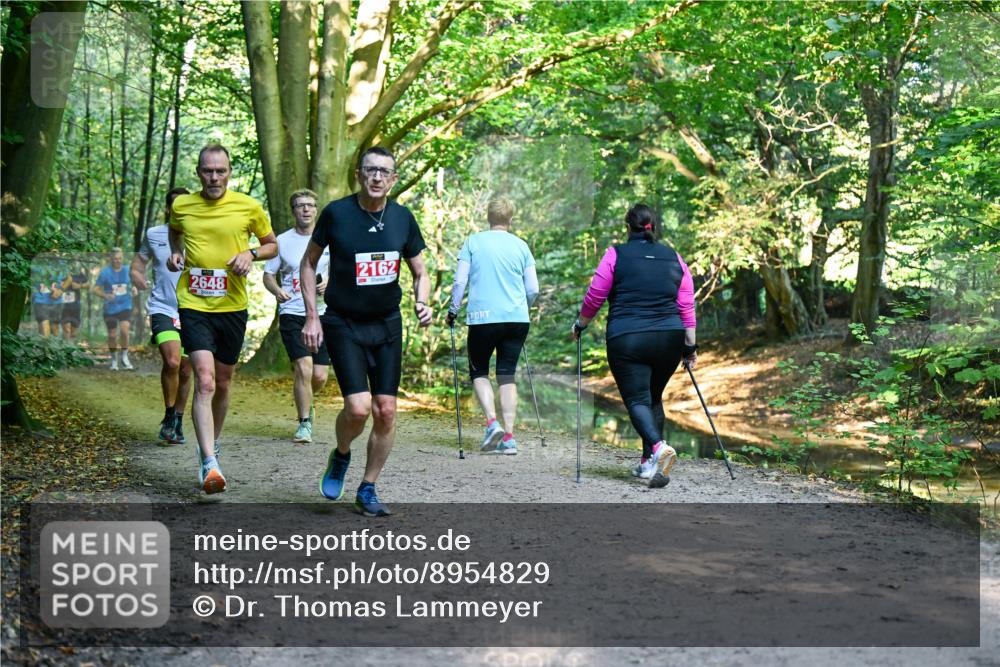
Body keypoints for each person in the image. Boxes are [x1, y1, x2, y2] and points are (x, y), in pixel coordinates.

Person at [301, 146, 431, 517]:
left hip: (387, 324)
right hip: (343, 322)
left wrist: (422, 301)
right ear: (359, 174)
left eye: (384, 172)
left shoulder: (403, 219)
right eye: (370, 170)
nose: (376, 177)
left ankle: (368, 487)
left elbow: (420, 271)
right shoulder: (336, 213)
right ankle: (341, 455)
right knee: (358, 409)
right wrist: (312, 316)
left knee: (386, 410)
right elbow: (308, 265)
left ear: (393, 179)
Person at [167, 144, 277, 494]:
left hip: (232, 305)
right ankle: (210, 461)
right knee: (205, 380)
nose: (214, 177)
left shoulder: (248, 206)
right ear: (198, 172)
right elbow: (175, 232)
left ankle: (208, 445)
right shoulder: (182, 205)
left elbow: (272, 244)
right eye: (207, 171)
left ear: (229, 172)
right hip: (194, 302)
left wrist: (251, 253)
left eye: (220, 171)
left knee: (225, 381)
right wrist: (175, 253)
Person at [571, 204, 697, 489]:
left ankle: (658, 448)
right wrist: (690, 347)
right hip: (669, 337)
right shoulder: (674, 258)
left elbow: (595, 296)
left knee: (637, 400)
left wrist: (581, 325)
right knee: (653, 398)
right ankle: (648, 465)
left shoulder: (616, 254)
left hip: (628, 336)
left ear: (628, 228)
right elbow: (686, 304)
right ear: (653, 227)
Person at [447, 197, 538, 455]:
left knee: (479, 372)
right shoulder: (521, 246)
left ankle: (492, 423)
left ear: (488, 218)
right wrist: (524, 306)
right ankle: (508, 438)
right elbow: (533, 288)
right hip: (517, 318)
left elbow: (459, 281)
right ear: (510, 219)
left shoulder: (473, 242)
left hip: (483, 319)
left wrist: (453, 311)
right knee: (507, 374)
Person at [263, 189, 331, 444]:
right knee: (303, 367)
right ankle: (304, 423)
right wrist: (277, 290)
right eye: (300, 206)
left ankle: (307, 402)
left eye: (310, 205)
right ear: (293, 211)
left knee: (320, 375)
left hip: (323, 312)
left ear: (316, 210)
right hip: (292, 312)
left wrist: (330, 283)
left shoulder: (327, 239)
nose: (305, 209)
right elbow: (268, 275)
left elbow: (338, 268)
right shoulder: (281, 241)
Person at [131, 186, 193, 444]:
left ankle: (178, 418)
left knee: (187, 370)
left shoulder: (200, 234)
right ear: (168, 209)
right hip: (162, 307)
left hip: (194, 309)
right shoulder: (154, 234)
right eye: (175, 205)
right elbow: (138, 264)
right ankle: (169, 415)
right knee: (172, 362)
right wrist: (138, 278)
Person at [94, 248, 134, 370]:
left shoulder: (128, 270)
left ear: (122, 258)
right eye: (115, 259)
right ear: (111, 259)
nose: (117, 261)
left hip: (125, 305)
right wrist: (106, 295)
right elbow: (95, 289)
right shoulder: (105, 273)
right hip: (110, 308)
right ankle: (114, 360)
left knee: (124, 330)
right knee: (112, 335)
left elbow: (135, 283)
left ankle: (124, 356)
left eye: (119, 258)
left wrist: (135, 288)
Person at [31, 263, 63, 337]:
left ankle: (54, 346)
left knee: (54, 328)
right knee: (44, 324)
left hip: (56, 301)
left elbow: (67, 280)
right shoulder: (36, 265)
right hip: (40, 299)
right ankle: (45, 346)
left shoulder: (62, 264)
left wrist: (60, 290)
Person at [59, 265, 88, 342]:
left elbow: (88, 285)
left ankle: (72, 348)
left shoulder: (78, 273)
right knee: (66, 329)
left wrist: (79, 285)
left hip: (76, 306)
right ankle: (66, 348)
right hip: (63, 306)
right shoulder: (59, 272)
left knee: (74, 332)